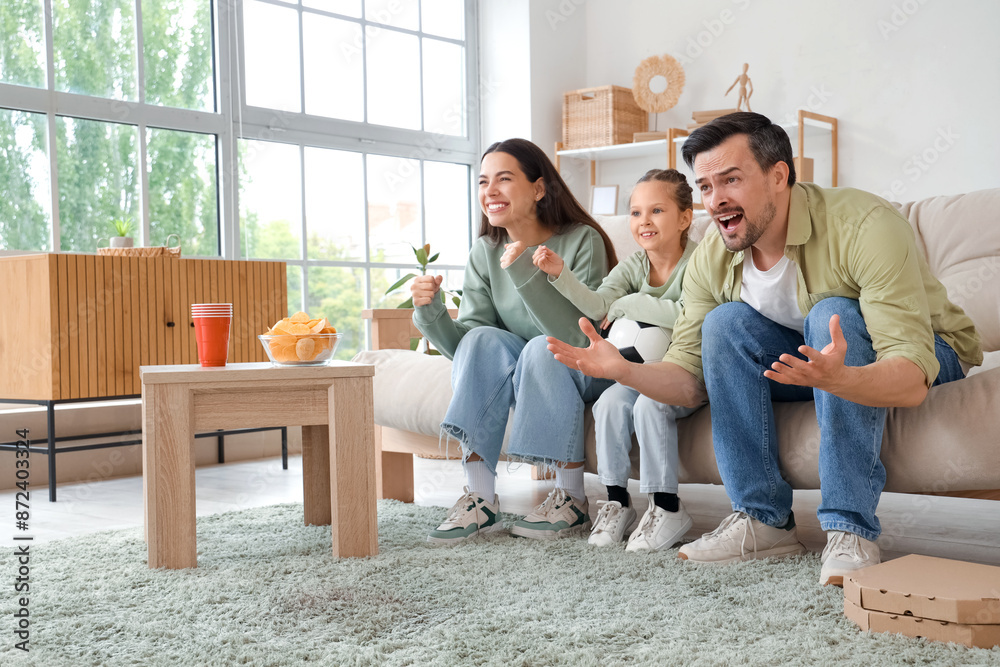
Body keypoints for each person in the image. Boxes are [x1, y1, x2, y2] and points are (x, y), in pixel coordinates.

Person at [547, 112, 981, 585]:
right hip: (812, 366)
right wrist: (623, 373)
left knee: (831, 312)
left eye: (731, 180)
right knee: (725, 323)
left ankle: (849, 528)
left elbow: (913, 376)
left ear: (779, 176)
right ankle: (762, 520)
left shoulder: (865, 224)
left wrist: (842, 377)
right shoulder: (712, 256)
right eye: (706, 186)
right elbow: (691, 382)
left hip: (928, 353)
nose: (717, 200)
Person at [412, 137, 618, 544]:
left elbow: (578, 333)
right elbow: (469, 348)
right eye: (483, 181)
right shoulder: (485, 251)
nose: (490, 191)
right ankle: (480, 499)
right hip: (524, 365)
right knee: (484, 340)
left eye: (504, 179)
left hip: (585, 364)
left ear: (539, 189)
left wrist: (525, 273)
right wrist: (430, 313)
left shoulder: (581, 240)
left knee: (541, 348)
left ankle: (571, 499)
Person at [532, 169, 699, 551]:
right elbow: (598, 304)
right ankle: (617, 502)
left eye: (657, 210)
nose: (644, 221)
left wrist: (627, 304)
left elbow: (688, 313)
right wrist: (562, 274)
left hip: (686, 372)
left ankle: (666, 506)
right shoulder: (633, 265)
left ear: (685, 218)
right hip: (637, 373)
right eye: (636, 213)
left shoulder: (699, 262)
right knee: (608, 404)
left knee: (650, 407)